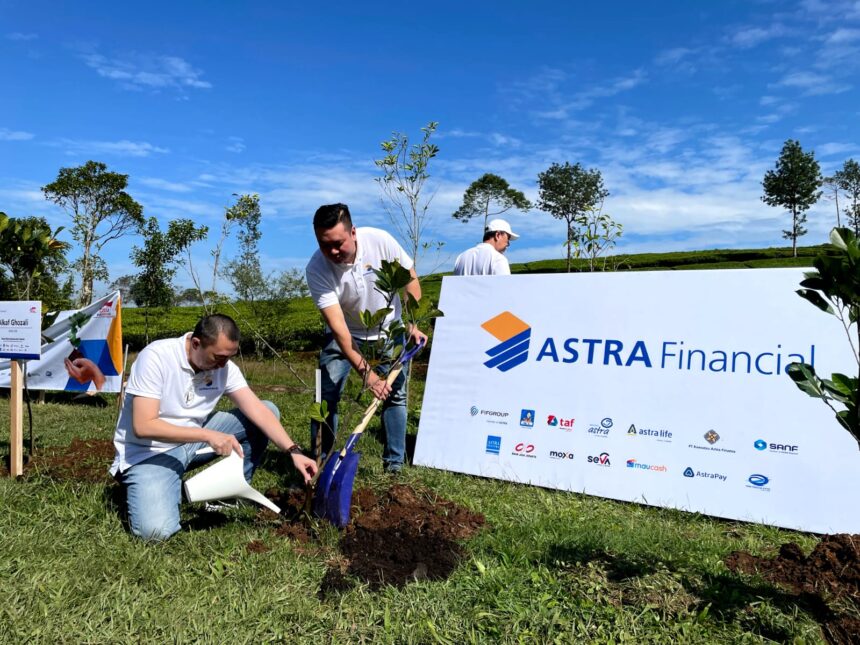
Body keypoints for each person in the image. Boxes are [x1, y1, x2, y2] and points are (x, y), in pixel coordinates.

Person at [109, 313, 317, 541]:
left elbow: (257, 411)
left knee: (268, 410)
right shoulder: (157, 357)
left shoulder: (224, 367)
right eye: (218, 357)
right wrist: (207, 435)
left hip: (193, 439)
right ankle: (149, 485)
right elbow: (144, 426)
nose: (223, 364)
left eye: (229, 357)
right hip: (150, 453)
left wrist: (294, 451)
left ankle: (227, 493)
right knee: (155, 532)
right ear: (196, 343)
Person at [305, 203, 427, 473]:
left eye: (338, 243)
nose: (332, 252)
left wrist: (413, 322)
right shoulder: (316, 269)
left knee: (395, 396)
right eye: (325, 245)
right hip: (346, 336)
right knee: (326, 398)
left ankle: (393, 465)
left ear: (354, 232)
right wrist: (368, 375)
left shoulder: (380, 242)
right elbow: (340, 333)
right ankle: (321, 463)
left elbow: (409, 279)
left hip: (387, 331)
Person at [452, 218, 520, 276]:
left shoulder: (461, 257)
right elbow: (505, 289)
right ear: (498, 235)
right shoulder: (498, 259)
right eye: (507, 239)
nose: (508, 244)